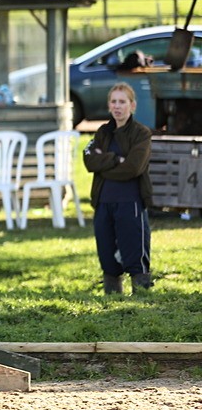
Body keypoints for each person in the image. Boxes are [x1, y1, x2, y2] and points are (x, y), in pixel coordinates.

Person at [83, 82, 153, 294]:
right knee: (106, 251)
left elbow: (132, 168)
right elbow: (89, 161)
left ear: (132, 105)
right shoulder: (102, 133)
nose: (117, 106)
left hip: (130, 201)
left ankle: (141, 294)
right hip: (104, 200)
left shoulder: (141, 134)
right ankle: (112, 296)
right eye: (113, 101)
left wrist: (104, 166)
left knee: (134, 249)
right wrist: (115, 159)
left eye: (122, 102)